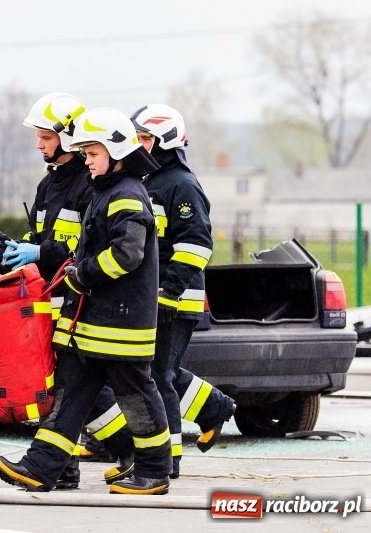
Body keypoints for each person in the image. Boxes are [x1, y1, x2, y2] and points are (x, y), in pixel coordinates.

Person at [0, 107, 172, 495]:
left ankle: (154, 471)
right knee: (68, 396)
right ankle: (41, 467)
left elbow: (127, 255)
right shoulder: (107, 193)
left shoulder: (126, 195)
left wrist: (81, 273)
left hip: (119, 325)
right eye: (85, 153)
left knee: (136, 396)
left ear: (116, 153)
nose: (86, 160)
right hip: (90, 323)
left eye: (92, 153)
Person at [0, 93, 135, 489]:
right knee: (69, 384)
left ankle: (72, 463)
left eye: (45, 135)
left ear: (68, 135)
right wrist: (7, 254)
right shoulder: (48, 186)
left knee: (73, 384)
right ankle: (73, 466)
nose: (39, 144)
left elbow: (85, 247)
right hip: (50, 300)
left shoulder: (90, 184)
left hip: (80, 299)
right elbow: (41, 241)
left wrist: (38, 251)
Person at [130, 104, 237, 478]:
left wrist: (165, 290)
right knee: (157, 371)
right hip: (154, 297)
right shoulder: (147, 182)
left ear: (165, 141)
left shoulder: (181, 184)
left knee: (158, 377)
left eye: (144, 138)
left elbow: (197, 245)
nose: (137, 145)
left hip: (174, 300)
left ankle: (168, 459)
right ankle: (214, 408)